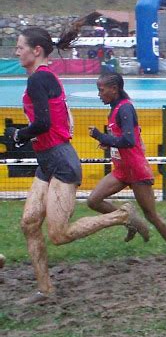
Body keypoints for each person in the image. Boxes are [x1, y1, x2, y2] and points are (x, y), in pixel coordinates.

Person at [4, 26, 149, 304]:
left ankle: (121, 215)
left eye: (20, 47)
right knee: (29, 223)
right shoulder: (44, 76)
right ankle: (45, 289)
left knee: (59, 234)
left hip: (60, 162)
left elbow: (44, 123)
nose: (16, 51)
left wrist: (19, 135)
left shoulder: (38, 80)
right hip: (48, 161)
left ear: (36, 51)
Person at [87, 73, 166, 262]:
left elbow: (129, 140)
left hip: (136, 171)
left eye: (101, 90)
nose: (99, 94)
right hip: (122, 170)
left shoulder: (125, 109)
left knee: (151, 215)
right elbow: (122, 138)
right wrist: (108, 143)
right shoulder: (116, 108)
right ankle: (129, 220)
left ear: (114, 89)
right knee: (93, 201)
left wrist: (102, 137)